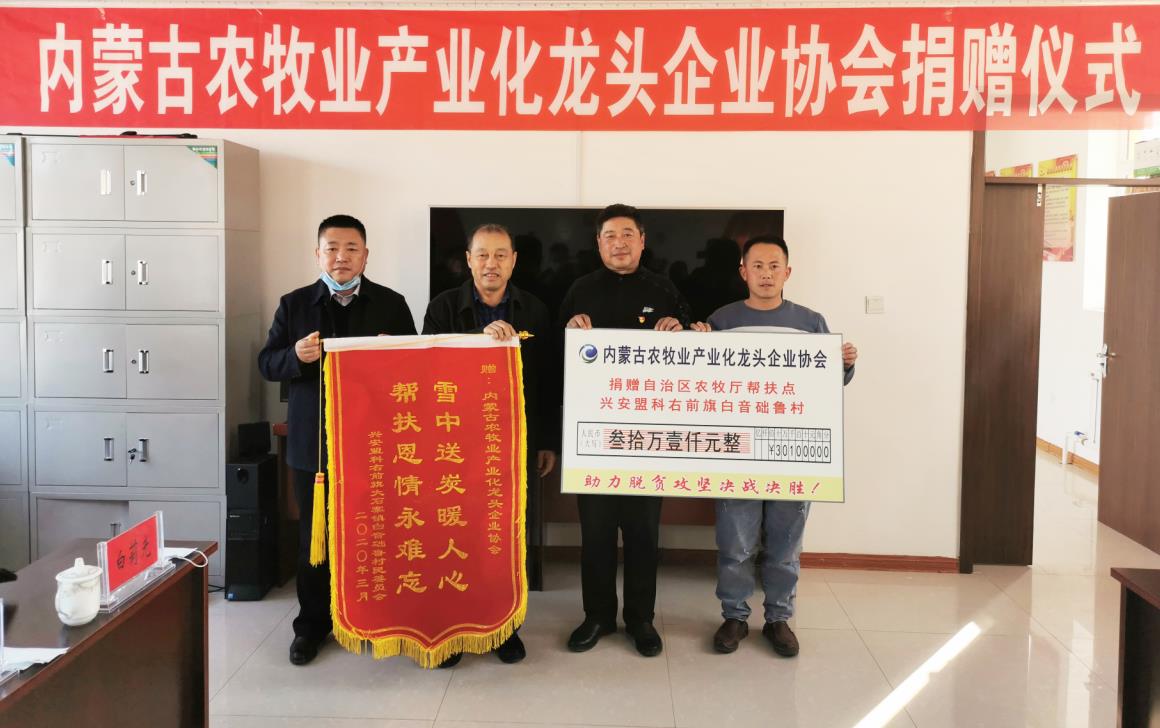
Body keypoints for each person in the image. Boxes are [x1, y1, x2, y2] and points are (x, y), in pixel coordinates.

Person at [258, 214, 416, 666]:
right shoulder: (294, 304)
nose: (341, 257)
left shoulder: (391, 304)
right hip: (315, 448)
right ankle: (312, 626)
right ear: (318, 254)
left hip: (377, 445)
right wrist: (295, 355)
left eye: (351, 249)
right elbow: (267, 363)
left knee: (378, 535)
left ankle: (378, 619)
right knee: (316, 541)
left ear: (366, 256)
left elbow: (416, 368)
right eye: (332, 248)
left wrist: (394, 354)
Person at [702, 234, 858, 658]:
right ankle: (734, 616)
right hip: (736, 450)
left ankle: (778, 619)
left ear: (787, 272)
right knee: (735, 544)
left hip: (794, 453)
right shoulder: (722, 320)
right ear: (743, 272)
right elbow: (701, 380)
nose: (766, 274)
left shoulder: (810, 322)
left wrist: (845, 364)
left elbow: (830, 384)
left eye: (774, 266)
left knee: (785, 545)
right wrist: (696, 340)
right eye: (757, 266)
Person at [422, 223, 559, 666]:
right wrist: (479, 342)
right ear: (468, 260)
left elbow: (545, 383)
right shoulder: (443, 307)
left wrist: (546, 441)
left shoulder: (535, 310)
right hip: (454, 444)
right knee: (453, 533)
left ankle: (504, 627)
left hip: (513, 443)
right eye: (482, 254)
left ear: (514, 261)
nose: (491, 264)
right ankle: (451, 629)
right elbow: (429, 371)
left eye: (501, 255)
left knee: (505, 537)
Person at [560, 203, 691, 657]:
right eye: (610, 236)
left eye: (627, 235)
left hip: (647, 435)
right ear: (598, 243)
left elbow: (693, 359)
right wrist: (569, 330)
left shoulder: (664, 289)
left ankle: (640, 619)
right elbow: (557, 358)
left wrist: (680, 332)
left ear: (642, 241)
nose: (619, 244)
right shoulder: (579, 290)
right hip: (592, 437)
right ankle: (597, 615)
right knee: (595, 533)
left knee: (642, 533)